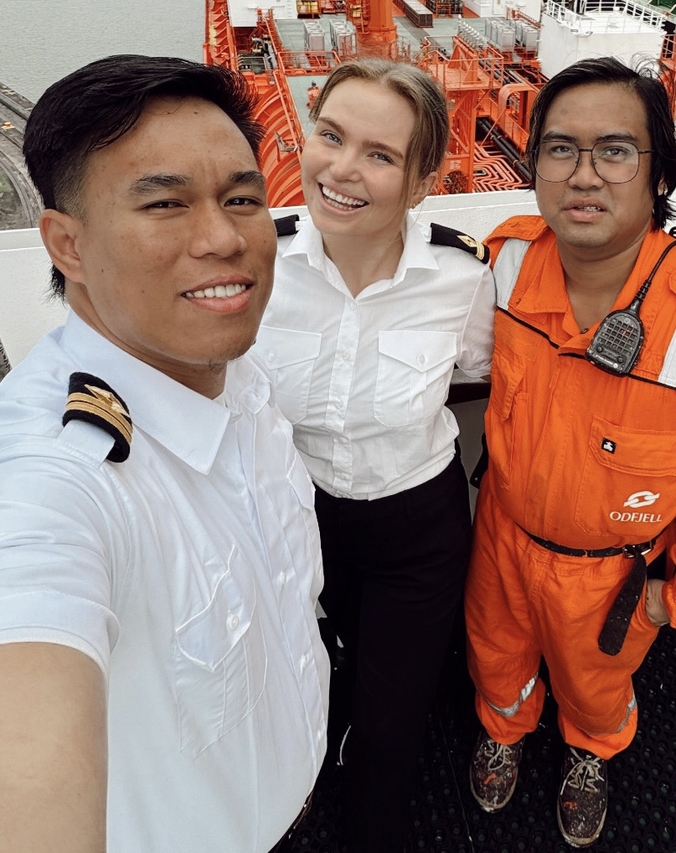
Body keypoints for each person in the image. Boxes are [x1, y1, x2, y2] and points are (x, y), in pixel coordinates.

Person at [0, 55, 330, 853]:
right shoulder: (56, 475)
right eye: (165, 203)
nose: (224, 238)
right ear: (68, 245)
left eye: (242, 198)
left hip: (288, 804)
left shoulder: (233, 370)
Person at [465, 56, 676, 848]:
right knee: (495, 655)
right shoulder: (506, 260)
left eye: (614, 150)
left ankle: (592, 749)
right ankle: (504, 728)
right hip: (502, 536)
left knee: (597, 684)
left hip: (611, 574)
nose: (583, 175)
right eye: (559, 148)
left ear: (660, 175)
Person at [252, 58, 494, 851]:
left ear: (421, 184)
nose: (342, 168)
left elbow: (481, 368)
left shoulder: (461, 275)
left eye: (381, 155)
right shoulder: (260, 262)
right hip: (300, 513)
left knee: (390, 723)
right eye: (331, 136)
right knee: (317, 679)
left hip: (415, 526)